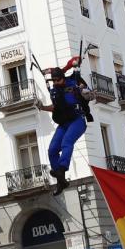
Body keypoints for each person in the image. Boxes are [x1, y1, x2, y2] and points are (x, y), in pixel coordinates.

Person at [37, 68, 88, 196]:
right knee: (52, 150)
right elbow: (55, 107)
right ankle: (61, 180)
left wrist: (84, 91)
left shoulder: (73, 84)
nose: (55, 82)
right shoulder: (55, 91)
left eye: (57, 80)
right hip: (64, 122)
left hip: (77, 120)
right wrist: (42, 107)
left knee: (67, 141)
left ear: (63, 78)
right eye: (53, 80)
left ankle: (62, 168)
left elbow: (86, 91)